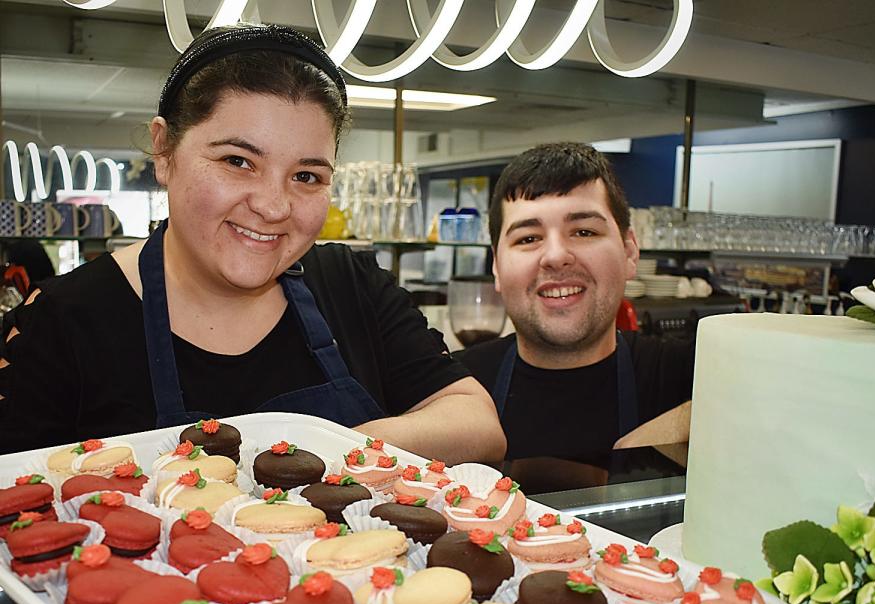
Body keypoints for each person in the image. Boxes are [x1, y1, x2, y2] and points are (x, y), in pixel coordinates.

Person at [0, 24, 505, 462]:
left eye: (306, 176)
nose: (273, 206)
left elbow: (477, 422)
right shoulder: (62, 318)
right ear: (164, 150)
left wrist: (333, 449)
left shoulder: (351, 285)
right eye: (238, 162)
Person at [456, 142, 694, 462]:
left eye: (583, 231)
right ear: (497, 267)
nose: (556, 257)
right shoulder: (451, 387)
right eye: (528, 238)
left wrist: (687, 422)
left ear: (629, 252)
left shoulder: (691, 376)